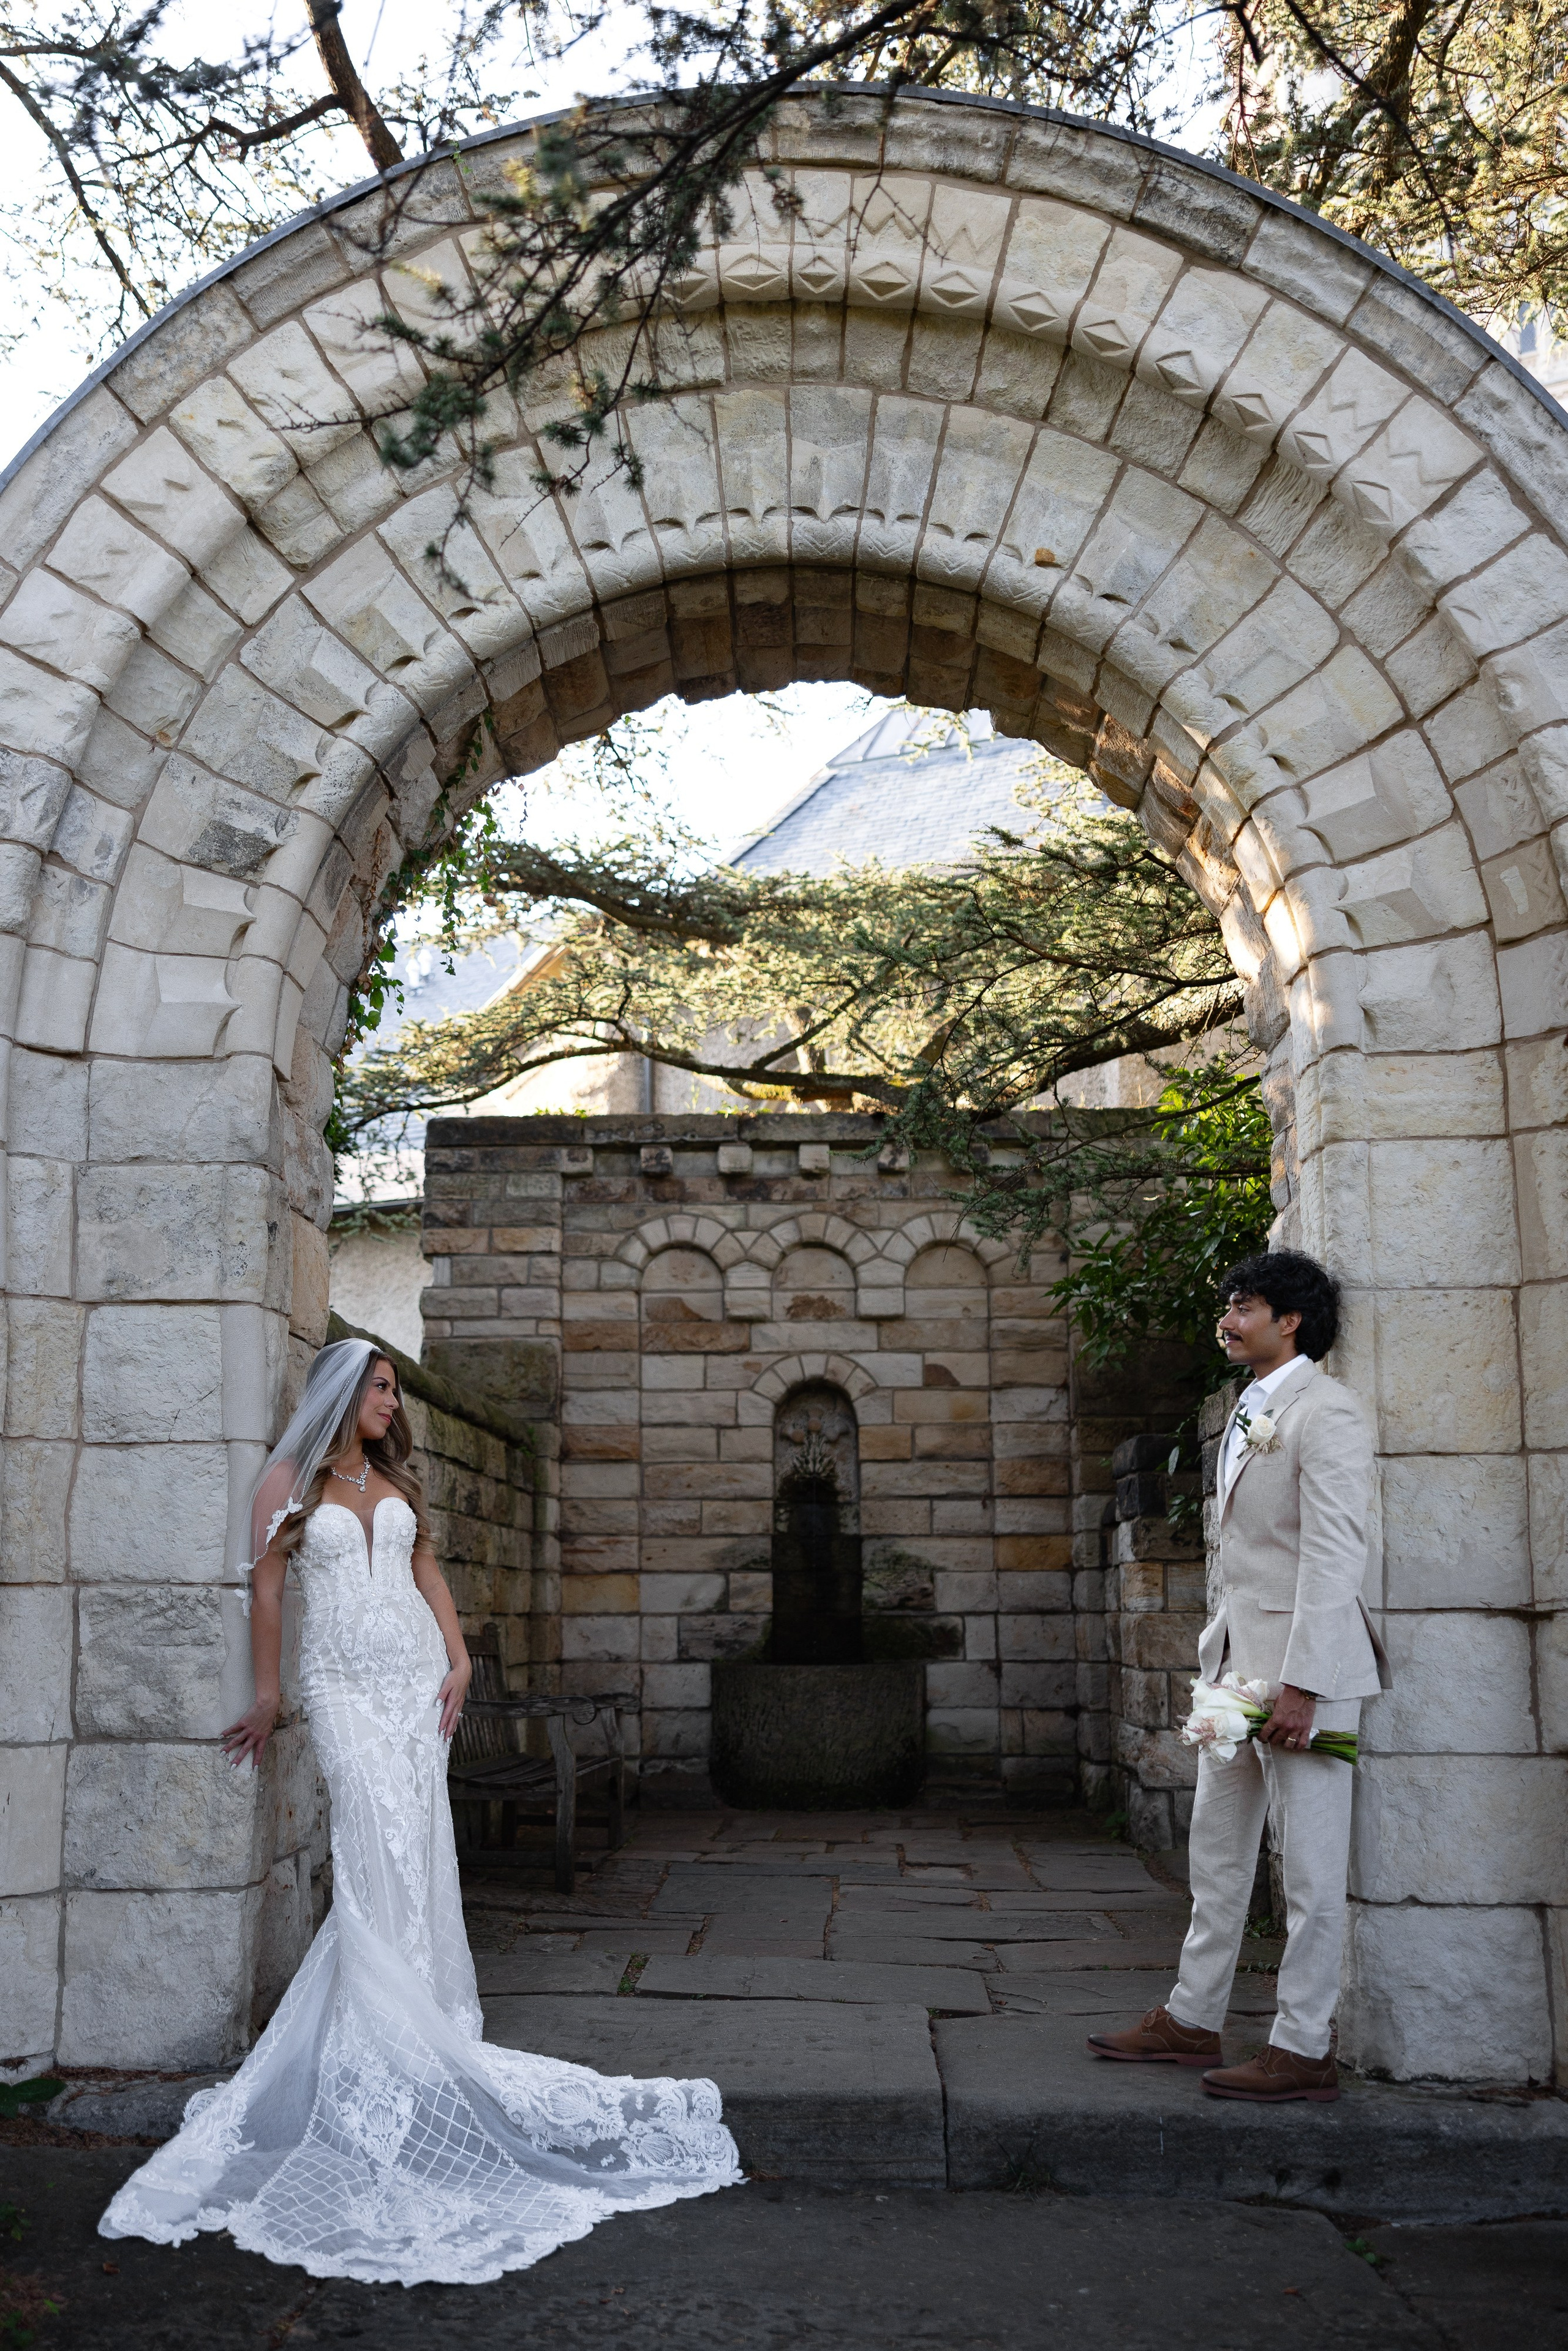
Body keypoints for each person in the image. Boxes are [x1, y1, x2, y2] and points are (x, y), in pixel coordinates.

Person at [100, 1337, 741, 2284]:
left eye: (398, 1389)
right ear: (343, 1391)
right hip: (347, 1692)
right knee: (372, 1844)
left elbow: (427, 1572)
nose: (393, 1403)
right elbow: (268, 1589)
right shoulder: (287, 1477)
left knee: (422, 1848)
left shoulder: (397, 1481)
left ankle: (426, 2024)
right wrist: (272, 1695)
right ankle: (385, 2047)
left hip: (414, 1685)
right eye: (383, 1387)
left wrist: (461, 1656)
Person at [1087, 1250, 1391, 2104]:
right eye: (1226, 1303)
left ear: (1290, 1319)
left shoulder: (1325, 1412)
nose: (1227, 1317)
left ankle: (1302, 2044)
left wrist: (1302, 1683)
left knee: (1310, 1868)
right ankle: (1193, 2015)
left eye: (1243, 1305)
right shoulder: (1249, 1410)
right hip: (1235, 1665)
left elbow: (1336, 1556)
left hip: (1308, 1673)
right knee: (1216, 1852)